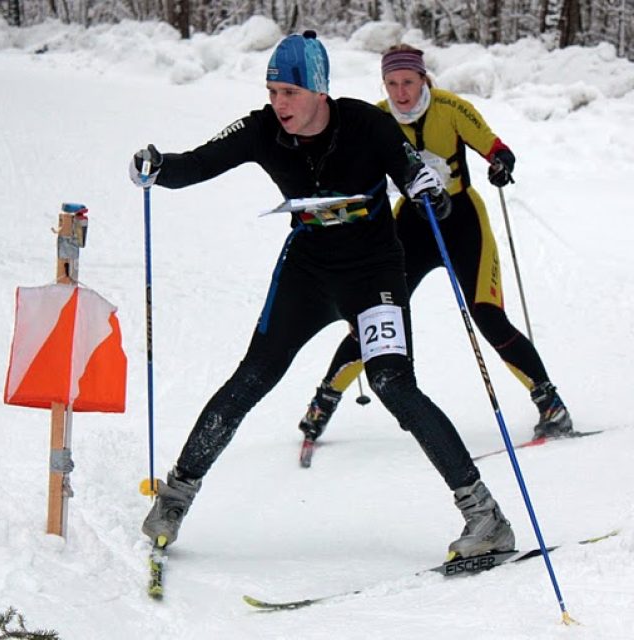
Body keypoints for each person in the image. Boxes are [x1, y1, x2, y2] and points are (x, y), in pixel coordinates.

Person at [129, 31, 514, 560]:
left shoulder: (365, 122)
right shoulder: (262, 129)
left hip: (374, 271)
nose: (278, 104)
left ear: (318, 90)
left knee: (393, 385)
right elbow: (197, 163)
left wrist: (426, 191)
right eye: (272, 92)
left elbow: (410, 171)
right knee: (253, 376)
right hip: (308, 272)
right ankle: (174, 497)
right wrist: (158, 166)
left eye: (289, 92)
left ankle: (485, 517)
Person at [297, 44, 573, 446]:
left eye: (408, 82)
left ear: (423, 79)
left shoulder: (450, 108)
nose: (401, 92)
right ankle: (324, 400)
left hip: (462, 220)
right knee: (376, 318)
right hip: (410, 225)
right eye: (392, 84)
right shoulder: (375, 118)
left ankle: (550, 403)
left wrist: (501, 165)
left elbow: (496, 148)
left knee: (488, 314)